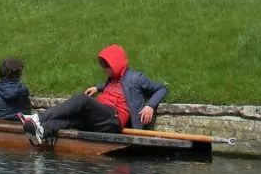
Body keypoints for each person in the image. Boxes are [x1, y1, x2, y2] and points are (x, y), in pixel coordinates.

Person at [18, 44, 167, 144]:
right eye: (102, 65)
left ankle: (37, 117)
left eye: (106, 65)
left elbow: (161, 88)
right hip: (101, 118)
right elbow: (115, 85)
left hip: (113, 119)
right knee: (73, 119)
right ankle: (41, 131)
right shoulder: (112, 78)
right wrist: (98, 87)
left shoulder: (137, 78)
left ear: (116, 64)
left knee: (82, 99)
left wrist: (150, 106)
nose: (104, 69)